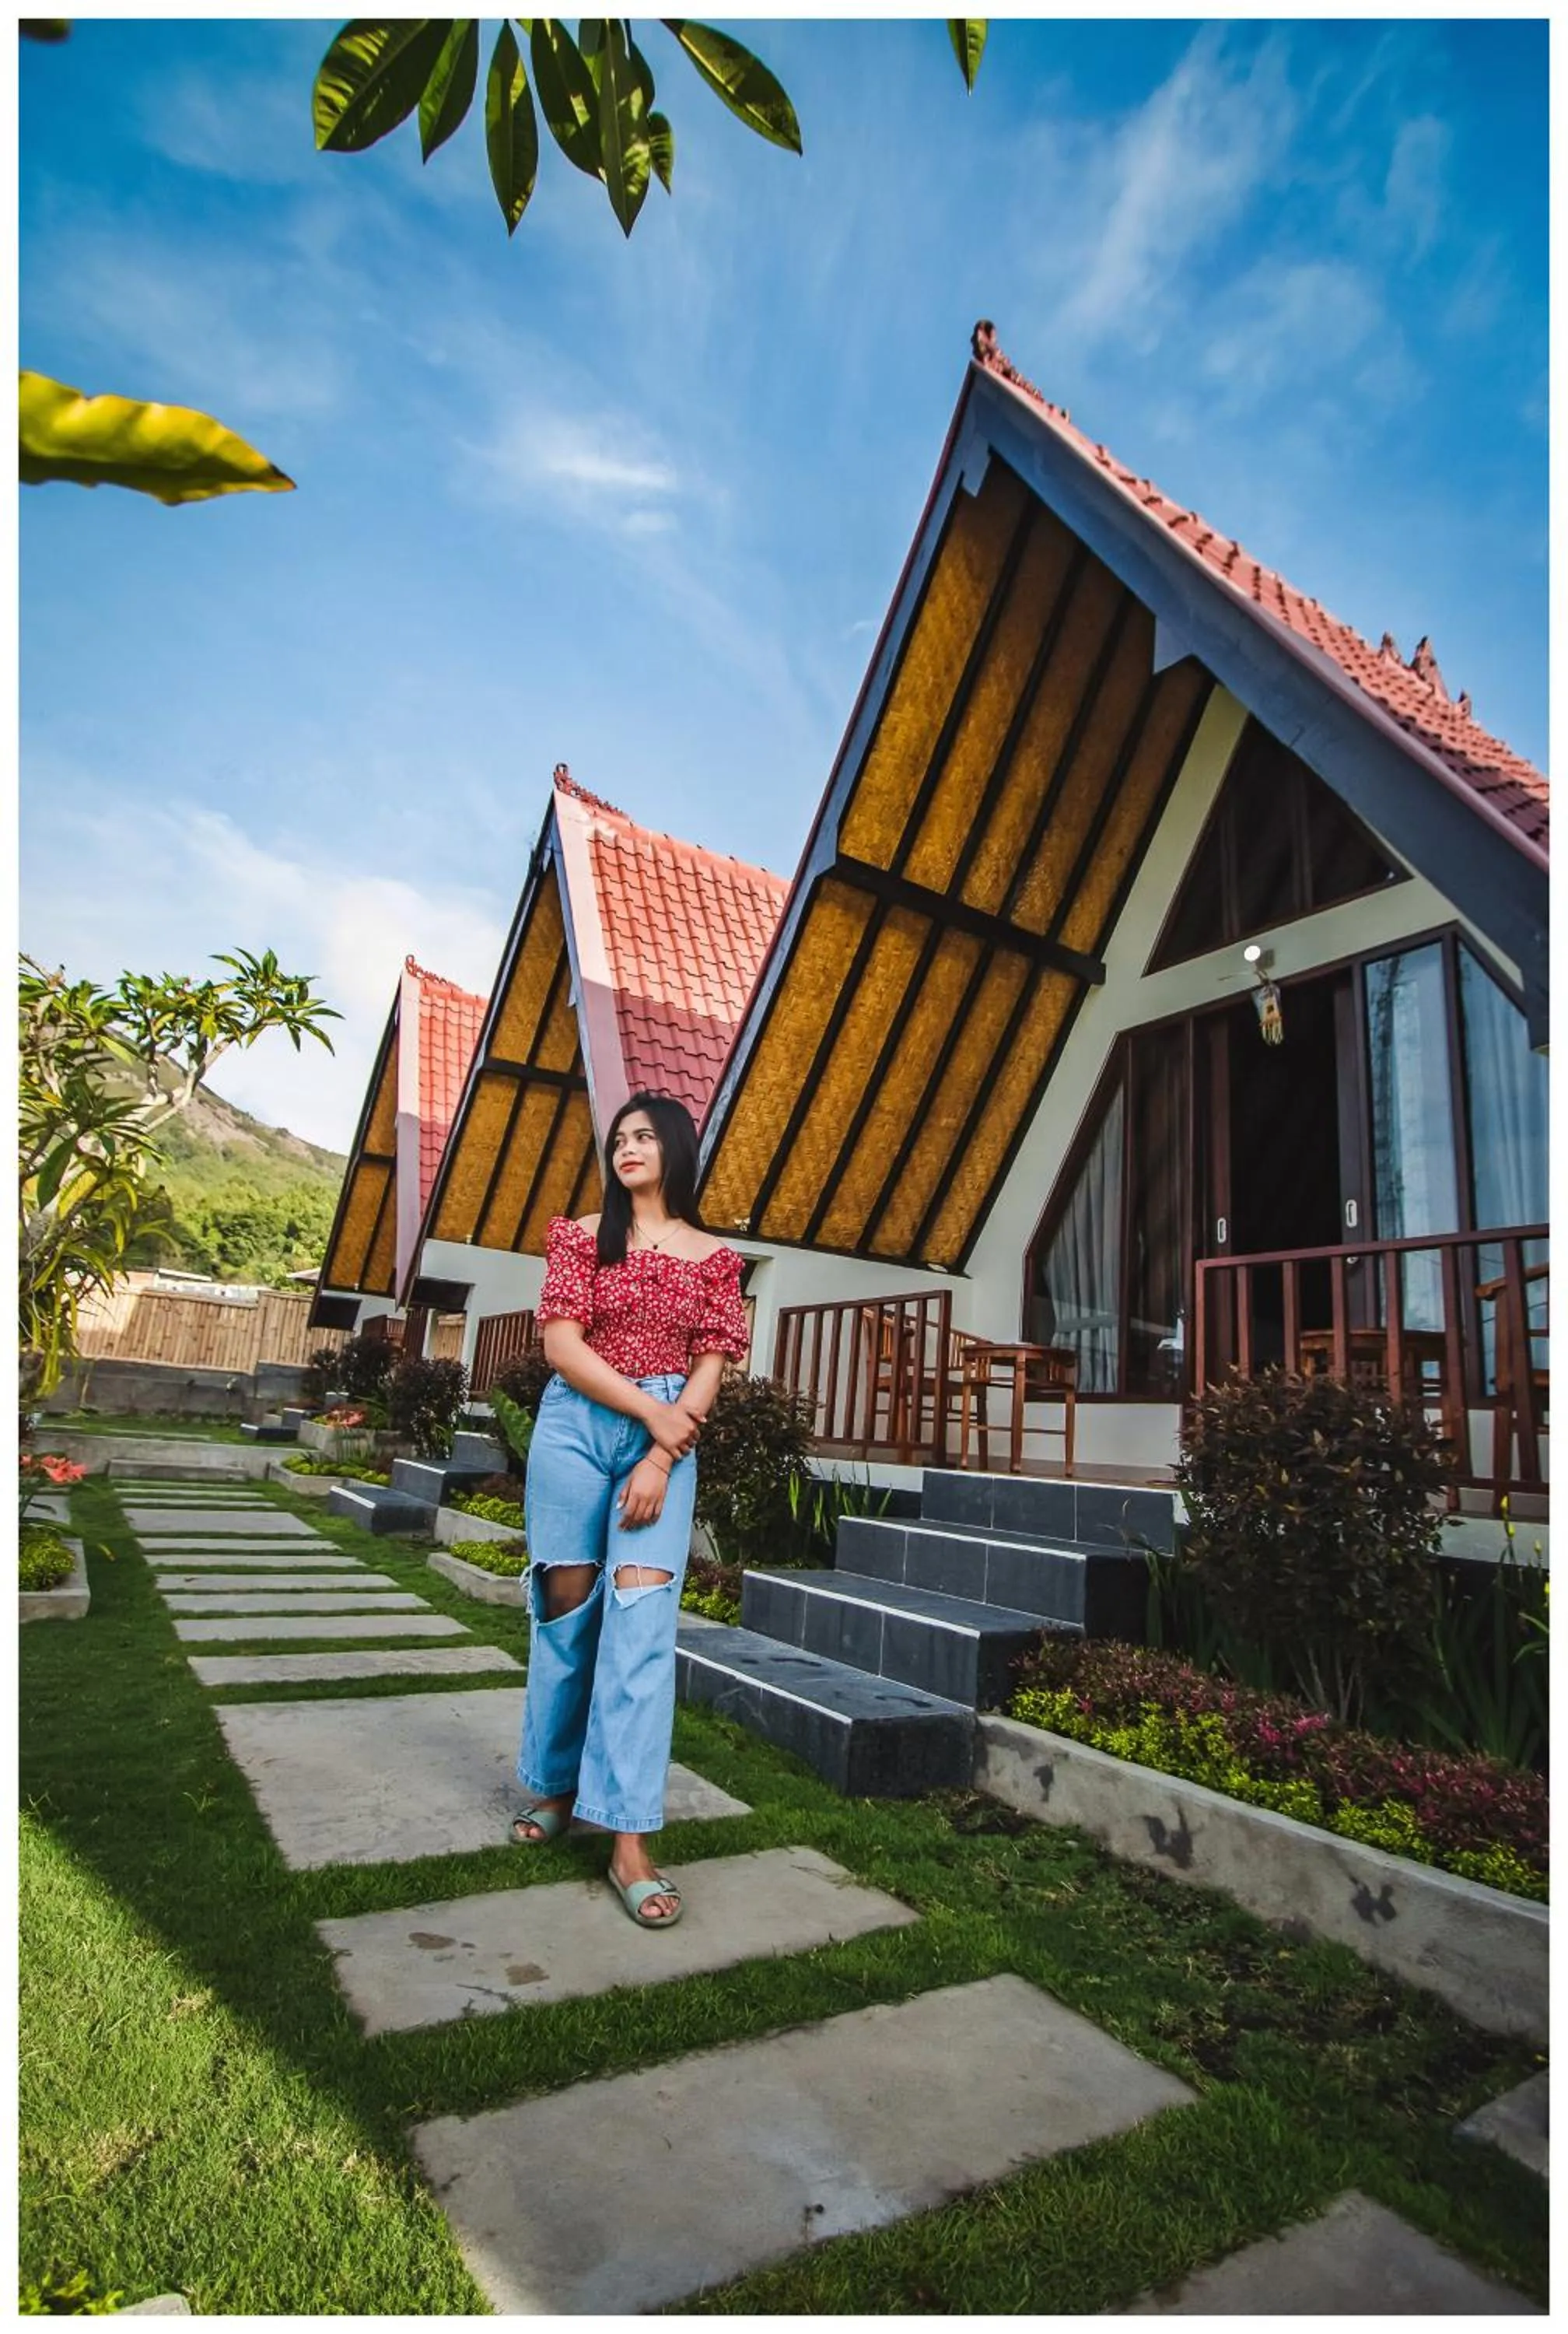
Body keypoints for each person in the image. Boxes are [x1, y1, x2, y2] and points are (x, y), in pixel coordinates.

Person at [508, 1088, 750, 1928]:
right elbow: (562, 1344)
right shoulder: (580, 1236)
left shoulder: (718, 1260)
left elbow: (712, 1364)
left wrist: (658, 1450)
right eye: (619, 1137)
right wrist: (650, 1416)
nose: (629, 1147)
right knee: (565, 1610)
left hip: (664, 1440)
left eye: (645, 1135)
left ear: (677, 1149)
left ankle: (630, 1840)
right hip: (576, 1427)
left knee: (641, 1626)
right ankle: (557, 1784)